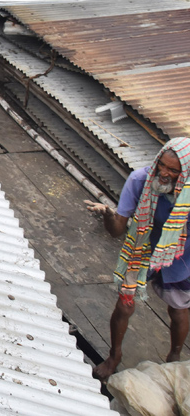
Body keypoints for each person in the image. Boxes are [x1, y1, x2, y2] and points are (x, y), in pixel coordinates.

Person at [84, 139, 190, 381]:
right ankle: (114, 356)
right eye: (162, 165)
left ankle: (174, 356)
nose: (164, 174)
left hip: (182, 253)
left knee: (179, 309)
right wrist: (108, 215)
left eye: (173, 171)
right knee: (124, 304)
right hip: (145, 247)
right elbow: (117, 230)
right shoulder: (140, 180)